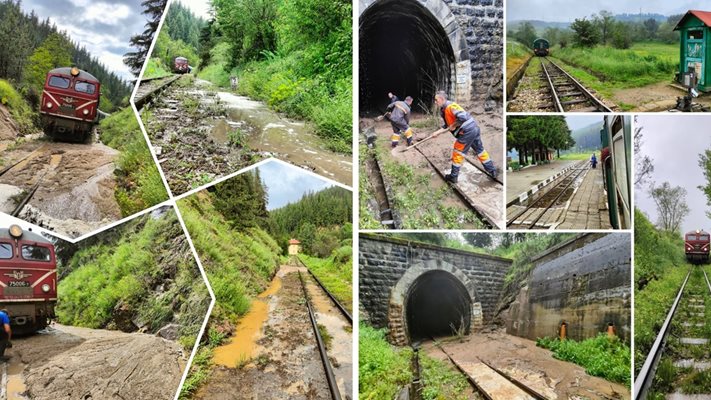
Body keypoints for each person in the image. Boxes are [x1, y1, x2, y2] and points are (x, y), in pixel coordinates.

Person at [434, 91, 497, 183]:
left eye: (436, 100)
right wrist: (436, 132)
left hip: (467, 131)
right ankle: (492, 171)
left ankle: (453, 177)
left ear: (442, 99)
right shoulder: (444, 110)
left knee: (457, 152)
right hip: (473, 129)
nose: (435, 102)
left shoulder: (451, 106)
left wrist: (454, 125)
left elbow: (463, 117)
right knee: (480, 150)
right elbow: (447, 126)